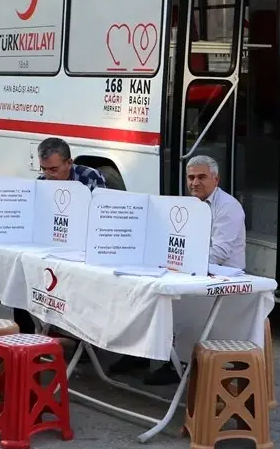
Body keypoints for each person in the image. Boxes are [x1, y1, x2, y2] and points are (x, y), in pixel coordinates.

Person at [114, 155, 247, 385]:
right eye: (191, 177)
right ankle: (140, 352)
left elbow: (219, 253)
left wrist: (179, 263)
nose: (195, 182)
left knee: (169, 298)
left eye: (201, 177)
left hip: (220, 276)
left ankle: (178, 362)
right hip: (192, 270)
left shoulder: (228, 207)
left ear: (216, 179)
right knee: (142, 290)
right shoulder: (190, 205)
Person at [37, 137, 107, 190]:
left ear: (69, 163)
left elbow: (101, 206)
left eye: (53, 169)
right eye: (43, 169)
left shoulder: (91, 177)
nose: (47, 175)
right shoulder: (39, 182)